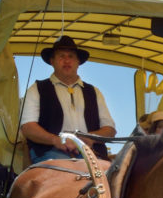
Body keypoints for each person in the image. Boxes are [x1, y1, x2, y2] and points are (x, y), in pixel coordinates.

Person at [20, 35, 116, 163]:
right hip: (51, 153)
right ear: (52, 61)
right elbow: (28, 128)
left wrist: (90, 138)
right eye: (61, 56)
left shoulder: (94, 92)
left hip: (91, 154)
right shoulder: (37, 89)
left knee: (116, 178)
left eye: (71, 56)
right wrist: (56, 140)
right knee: (69, 175)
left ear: (78, 62)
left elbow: (110, 129)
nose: (66, 60)